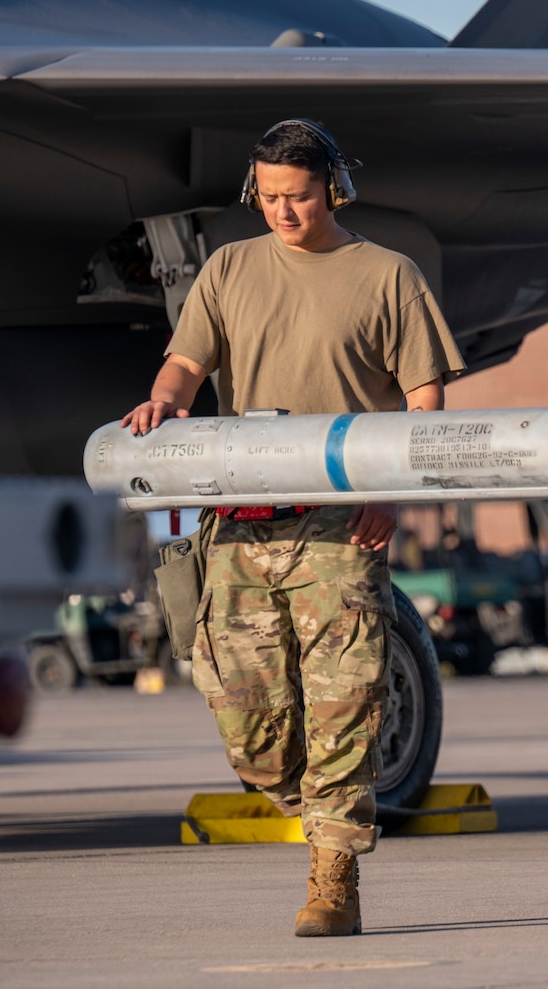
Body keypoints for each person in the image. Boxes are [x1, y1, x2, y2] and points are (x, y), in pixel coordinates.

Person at [122, 119, 463, 938]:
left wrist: (396, 495)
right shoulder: (229, 269)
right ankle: (315, 801)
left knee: (345, 703)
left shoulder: (388, 276)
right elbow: (189, 360)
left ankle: (333, 878)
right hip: (240, 526)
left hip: (342, 527)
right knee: (251, 730)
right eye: (269, 196)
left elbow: (425, 403)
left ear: (334, 188)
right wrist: (166, 396)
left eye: (299, 196)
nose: (283, 210)